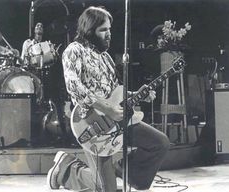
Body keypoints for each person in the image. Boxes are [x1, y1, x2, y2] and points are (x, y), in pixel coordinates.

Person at [47, 6, 170, 192]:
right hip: (92, 123)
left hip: (116, 121)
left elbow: (115, 91)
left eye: (109, 29)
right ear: (89, 30)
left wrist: (138, 95)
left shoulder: (105, 57)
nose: (108, 34)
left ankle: (122, 170)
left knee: (160, 143)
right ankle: (67, 169)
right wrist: (107, 109)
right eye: (103, 30)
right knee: (106, 189)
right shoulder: (74, 50)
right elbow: (73, 86)